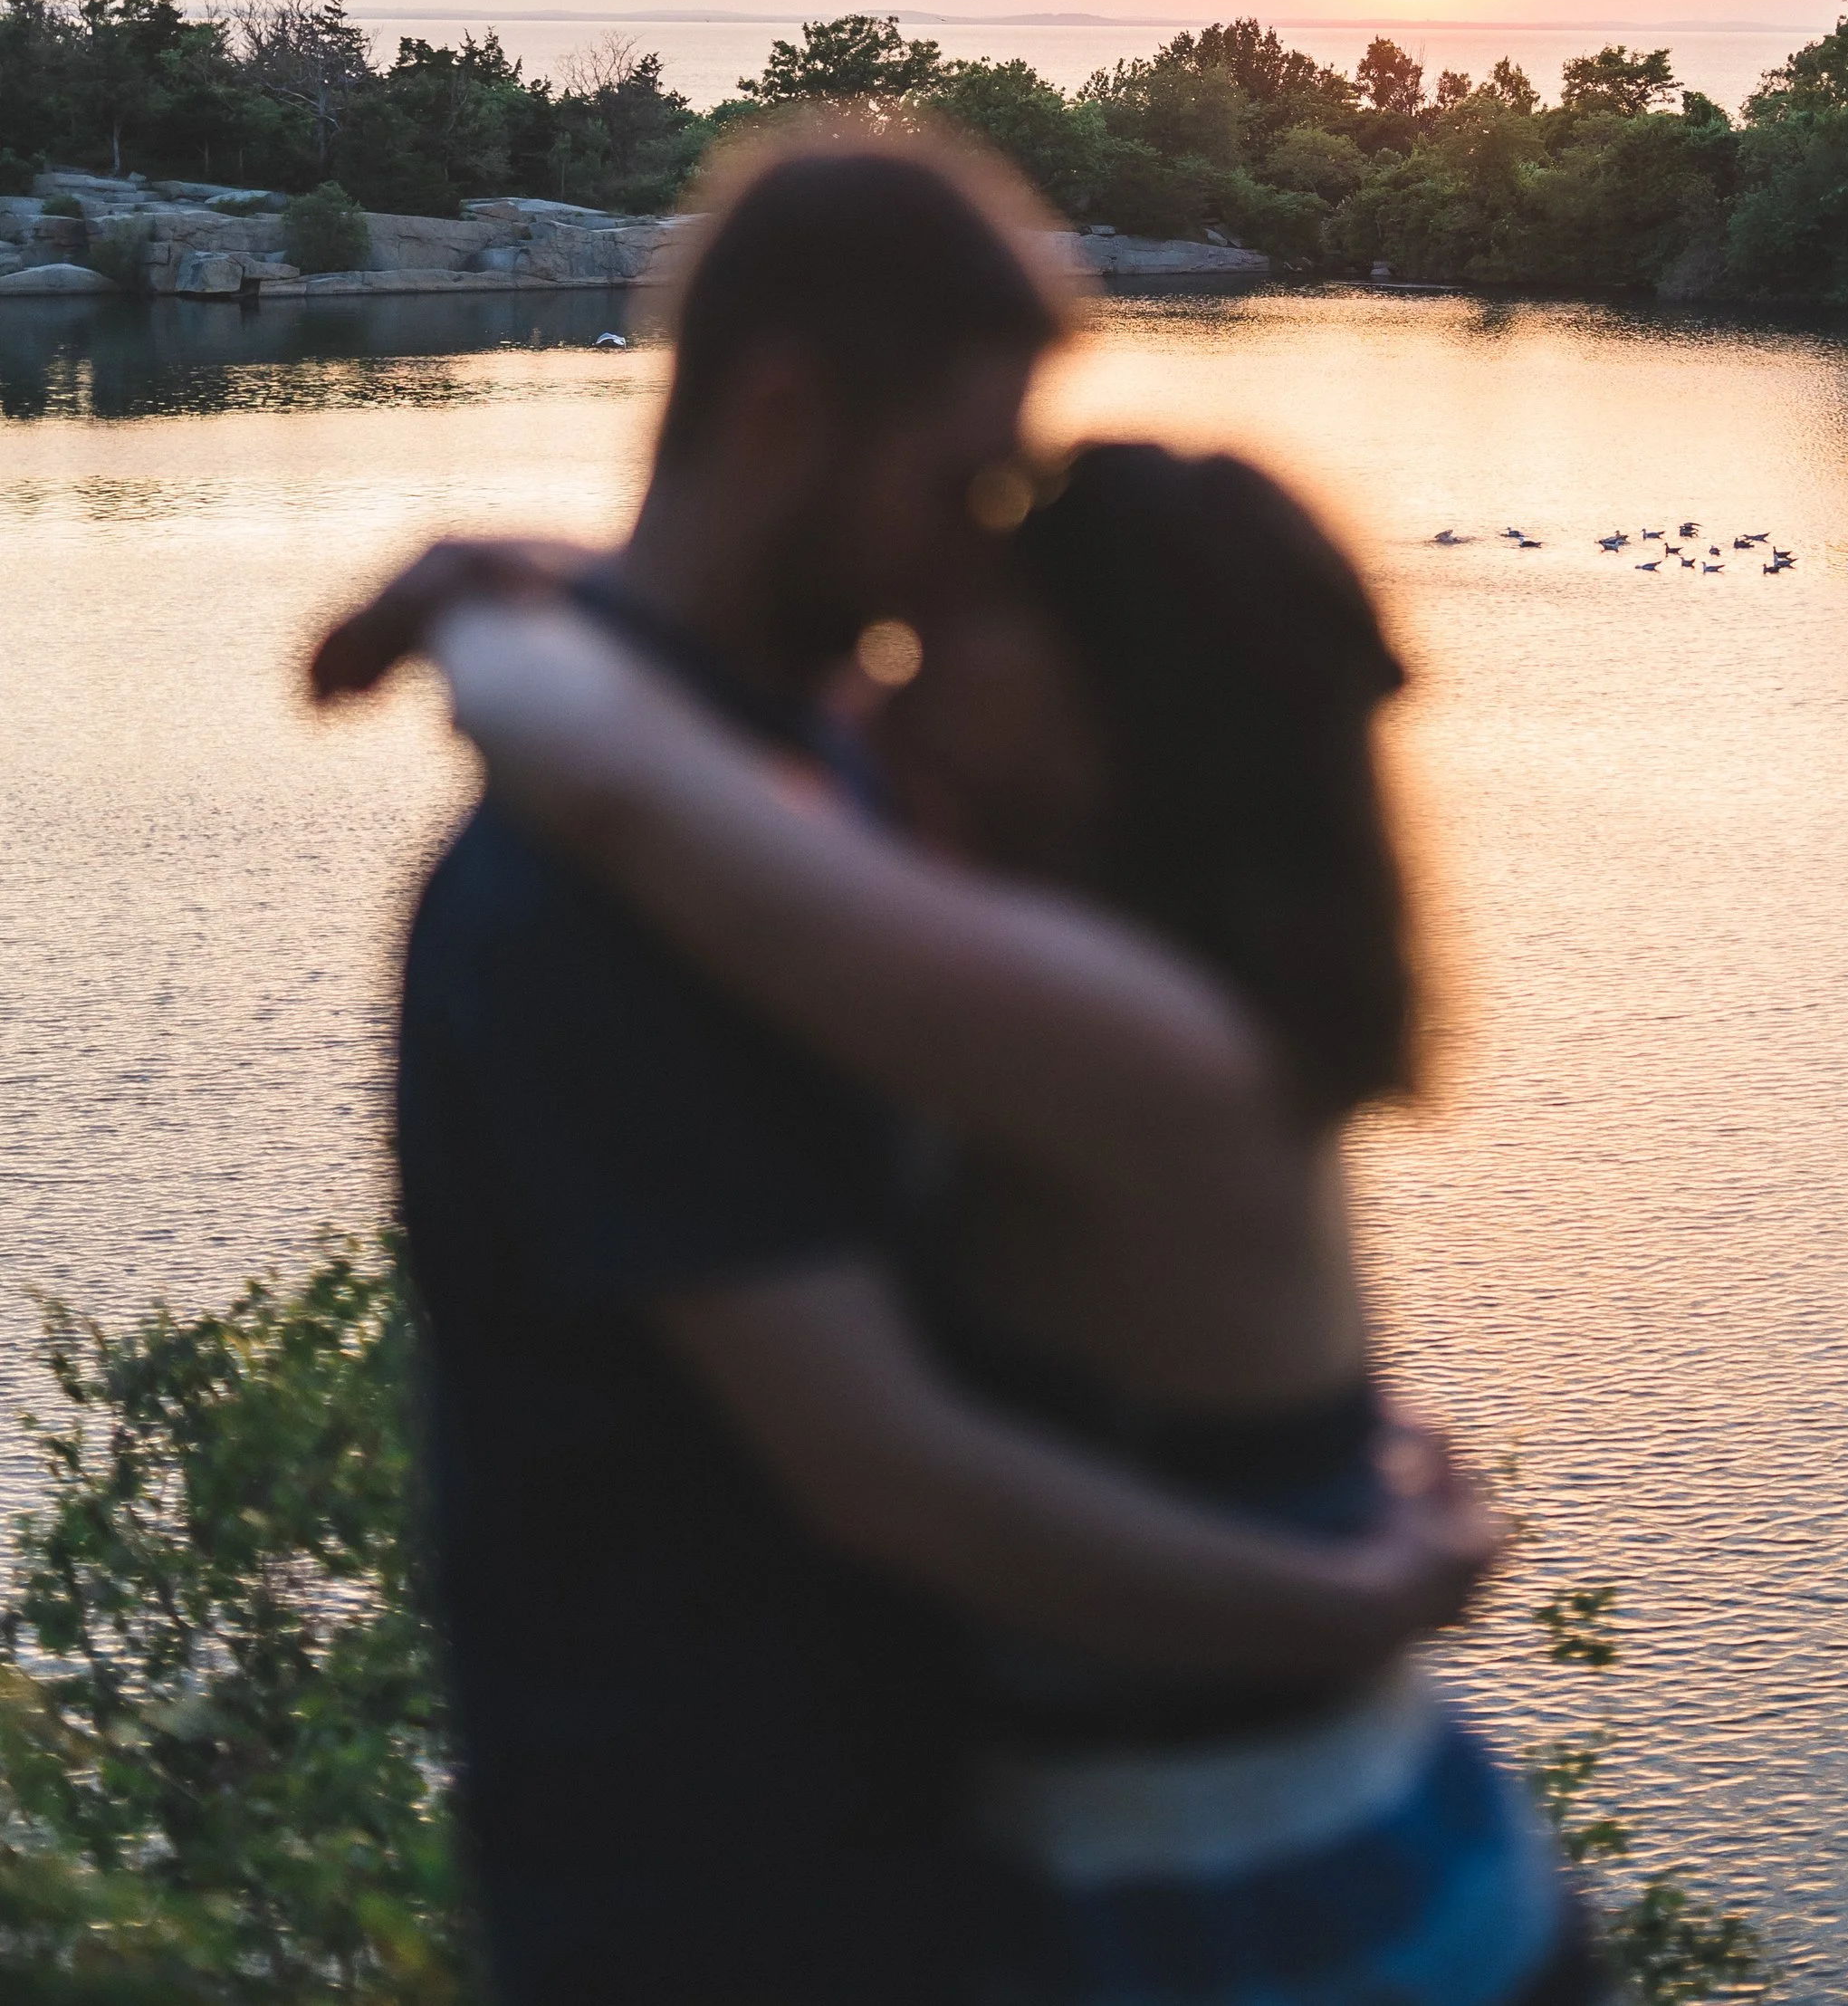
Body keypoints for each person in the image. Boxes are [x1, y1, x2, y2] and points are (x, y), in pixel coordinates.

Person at [316, 130, 1498, 2006]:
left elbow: (657, 722)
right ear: (786, 414)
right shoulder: (585, 909)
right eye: (965, 480)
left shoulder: (805, 800)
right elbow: (881, 1468)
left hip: (964, 1878)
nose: (973, 549)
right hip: (710, 1898)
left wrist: (495, 601)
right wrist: (1339, 1596)